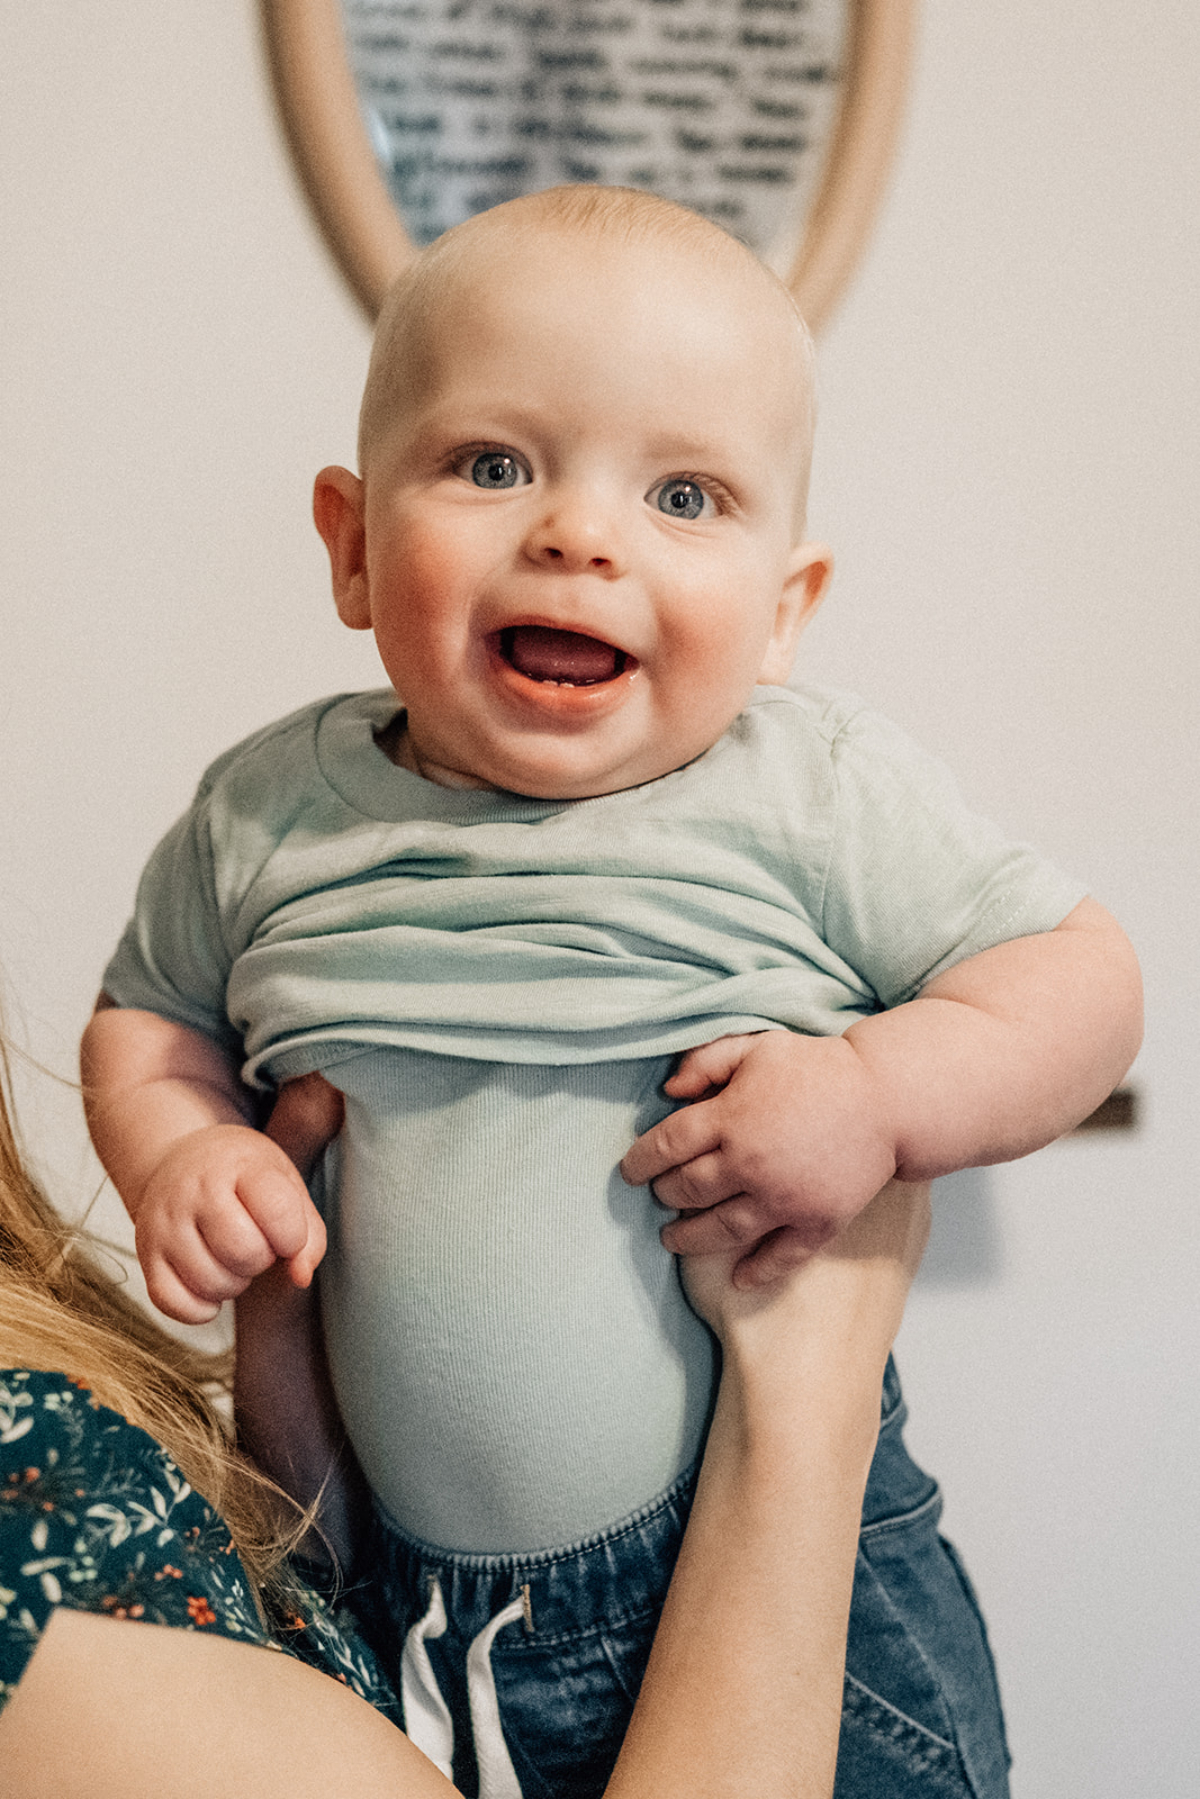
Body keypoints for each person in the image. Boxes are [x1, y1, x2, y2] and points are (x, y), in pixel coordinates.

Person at [81, 185, 1143, 1796]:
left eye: (687, 493)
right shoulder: (265, 815)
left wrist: (870, 1092)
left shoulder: (807, 791)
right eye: (493, 462)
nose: (581, 531)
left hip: (791, 1591)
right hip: (405, 1607)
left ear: (785, 610)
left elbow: (1086, 983)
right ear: (353, 545)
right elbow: (148, 1020)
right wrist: (181, 1150)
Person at [0, 1026, 929, 1799]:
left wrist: (289, 1318)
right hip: (705, 1599)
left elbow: (267, 1638)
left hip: (460, 1628)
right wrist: (810, 1379)